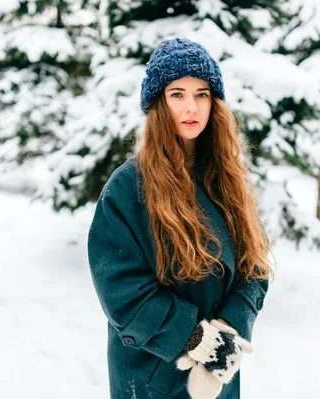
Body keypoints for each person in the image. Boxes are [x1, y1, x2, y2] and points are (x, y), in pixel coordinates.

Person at [87, 37, 273, 399]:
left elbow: (256, 264)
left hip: (217, 370)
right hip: (152, 373)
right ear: (158, 103)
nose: (192, 106)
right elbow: (122, 292)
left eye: (202, 94)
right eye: (177, 94)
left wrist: (230, 326)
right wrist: (193, 337)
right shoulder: (128, 188)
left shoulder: (226, 177)